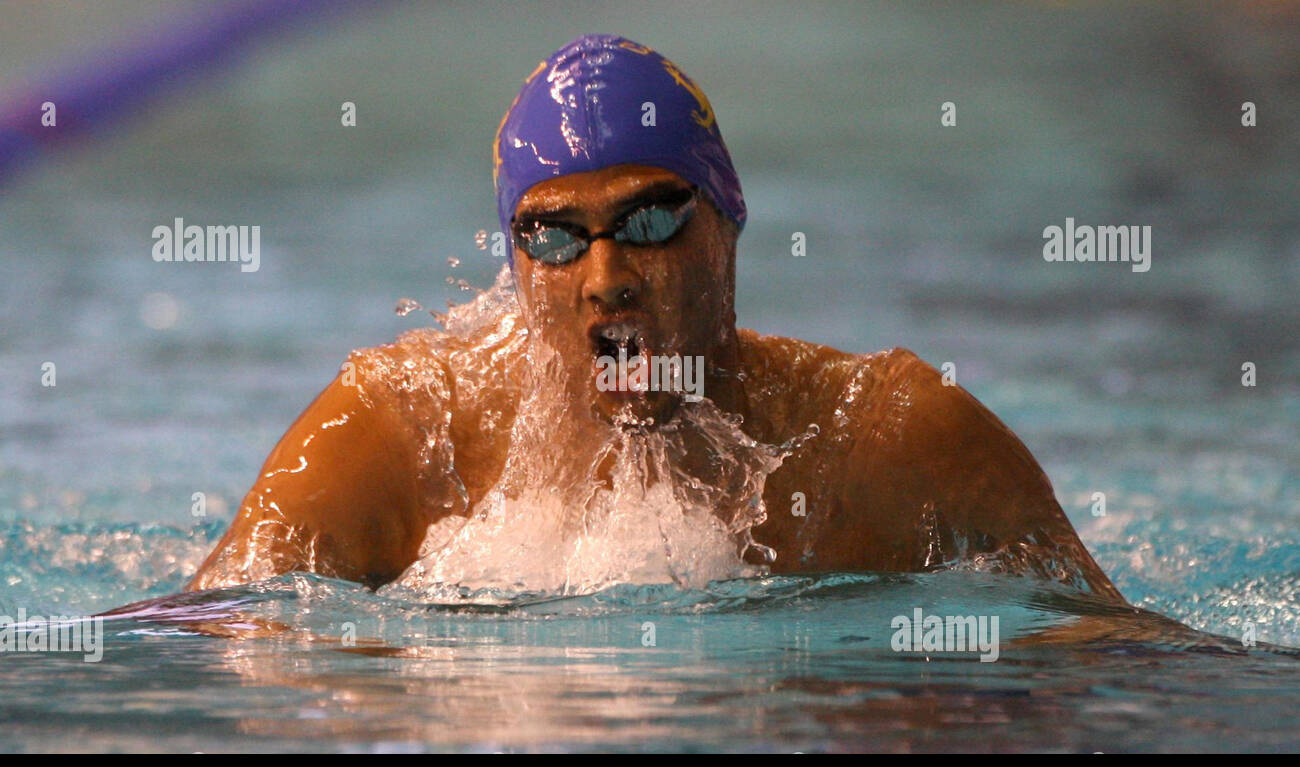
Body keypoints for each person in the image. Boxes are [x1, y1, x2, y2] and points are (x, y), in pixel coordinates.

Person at [187, 34, 1122, 602]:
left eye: (648, 219)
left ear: (727, 222)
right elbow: (195, 647)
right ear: (516, 261)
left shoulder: (883, 436)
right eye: (554, 236)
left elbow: (1124, 664)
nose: (606, 276)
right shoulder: (403, 432)